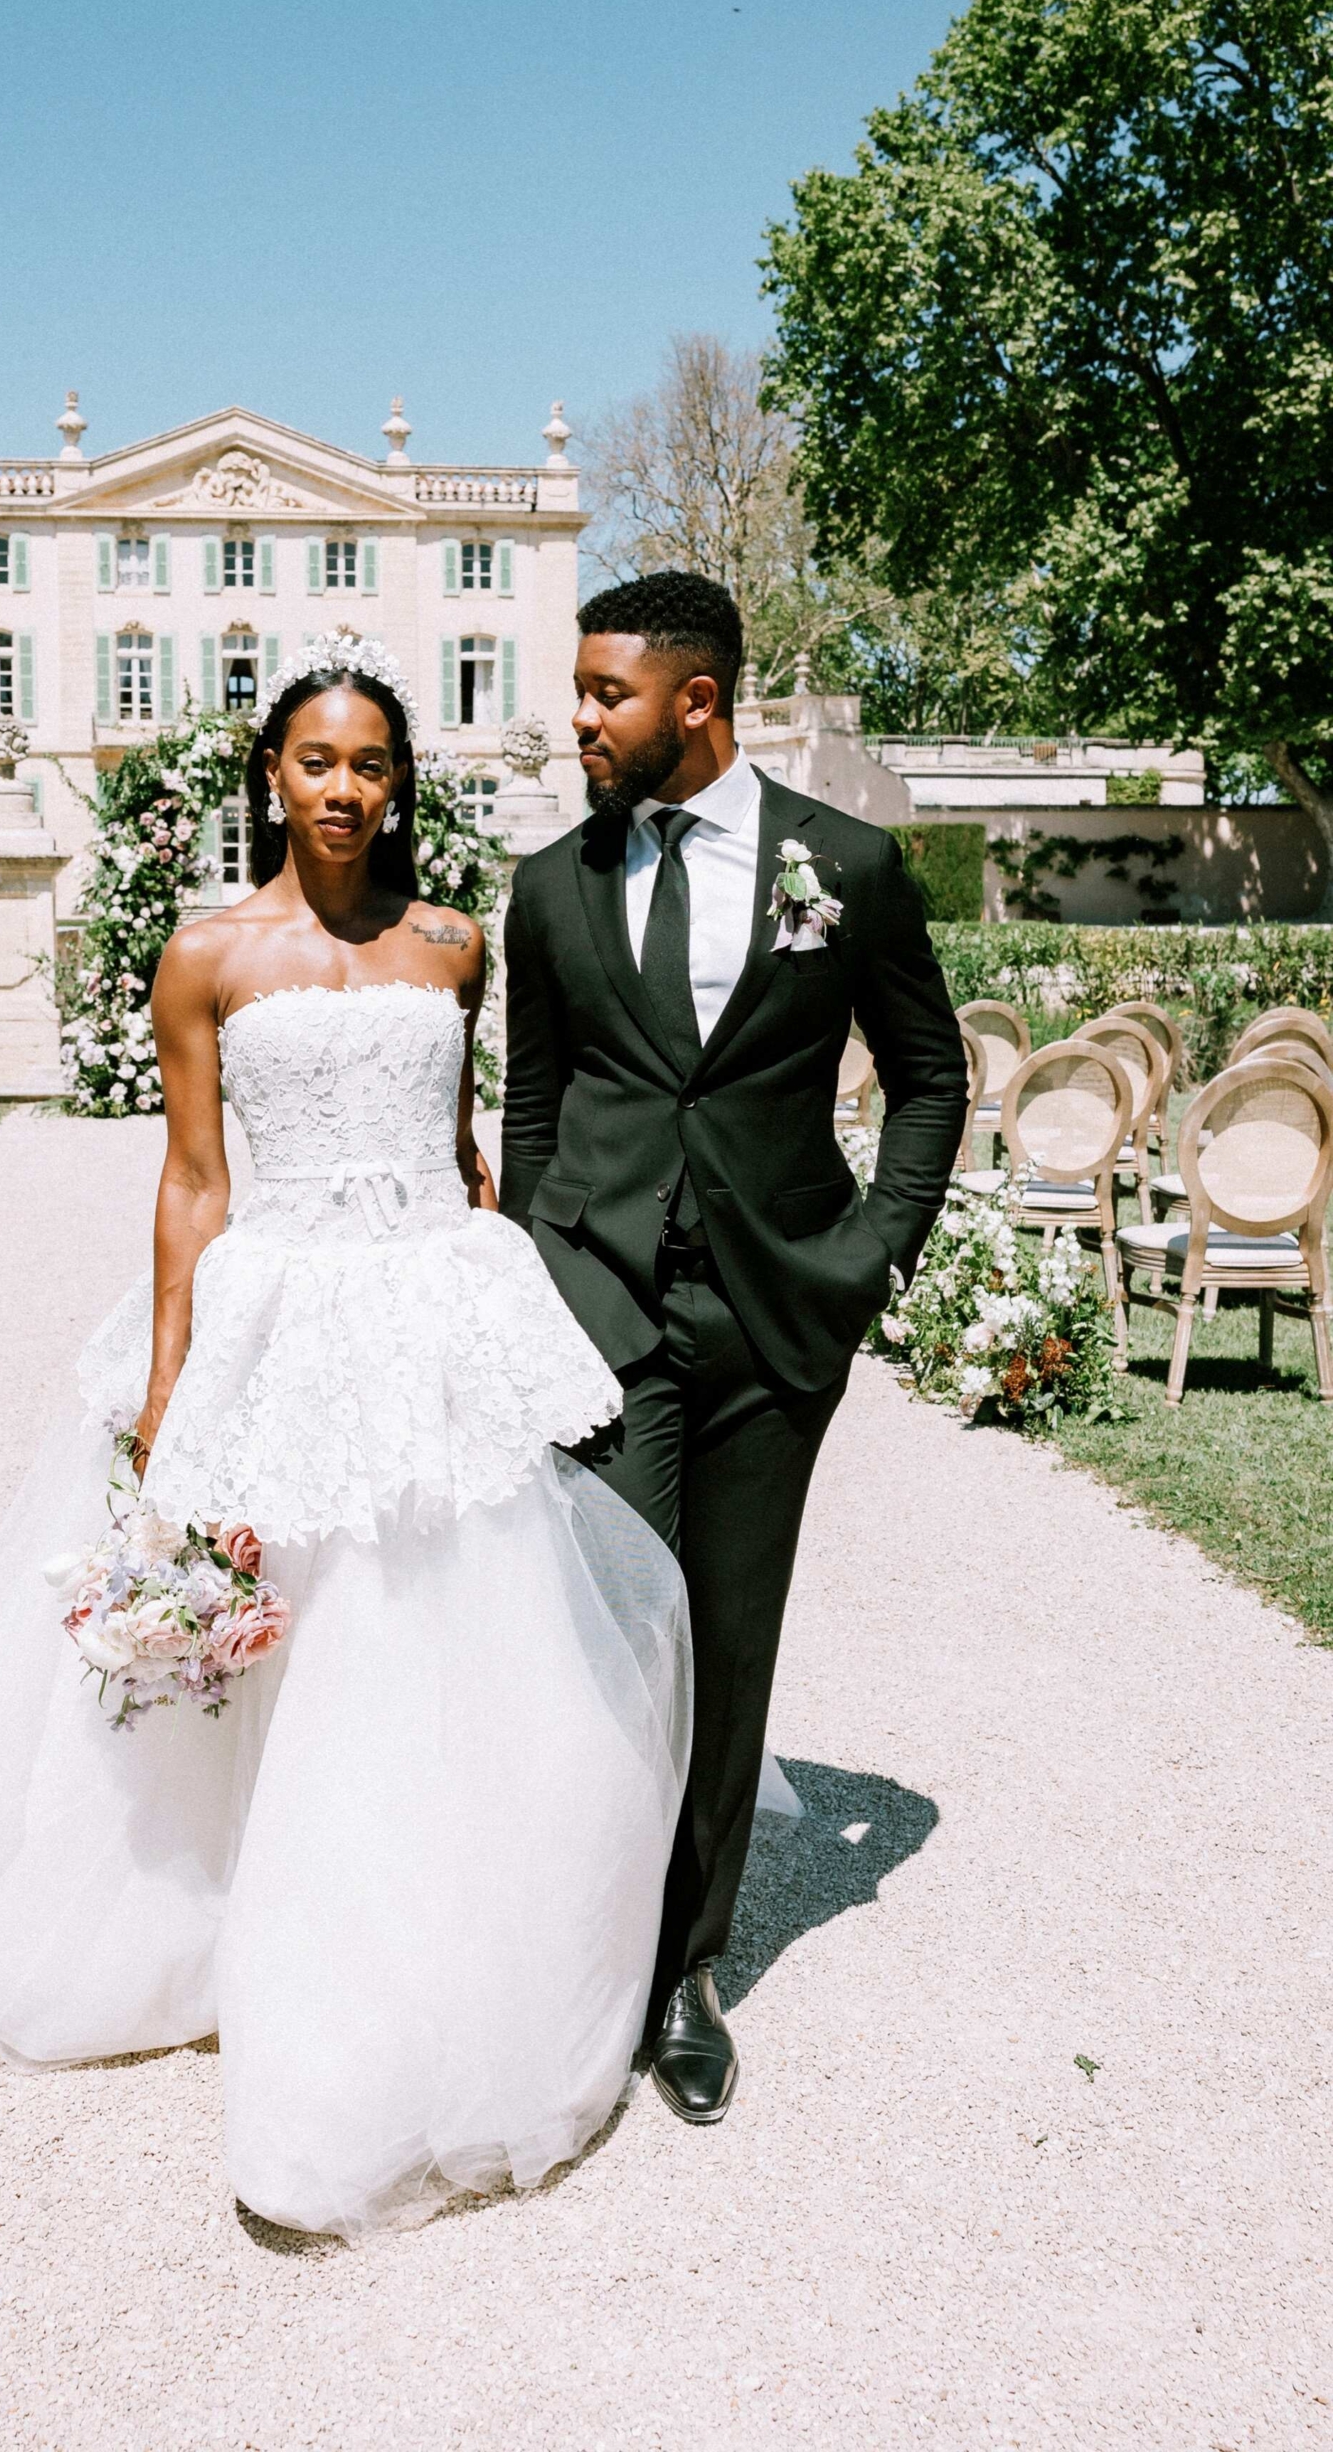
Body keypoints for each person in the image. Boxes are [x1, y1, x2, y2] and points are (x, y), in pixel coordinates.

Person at [0, 635, 691, 2241]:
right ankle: (233, 1917)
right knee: (273, 1616)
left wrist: (495, 1319)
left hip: (425, 1300)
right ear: (272, 776)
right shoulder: (207, 953)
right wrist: (171, 1382)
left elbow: (459, 1145)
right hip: (274, 1305)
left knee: (442, 1612)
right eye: (318, 762)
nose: (347, 790)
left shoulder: (452, 945)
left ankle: (421, 1925)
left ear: (399, 784)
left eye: (373, 765)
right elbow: (190, 1176)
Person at [503, 572, 967, 2126]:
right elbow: (535, 1106)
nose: (579, 717)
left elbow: (925, 1077)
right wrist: (537, 1284)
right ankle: (587, 1942)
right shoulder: (550, 885)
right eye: (580, 691)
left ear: (694, 703)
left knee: (730, 1638)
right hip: (606, 1314)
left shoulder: (846, 866)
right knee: (616, 1635)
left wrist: (866, 1260)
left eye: (604, 694)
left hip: (777, 1317)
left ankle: (686, 1972)